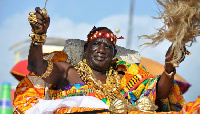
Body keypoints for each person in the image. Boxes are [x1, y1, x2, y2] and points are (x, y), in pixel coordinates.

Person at [13, 7, 186, 113]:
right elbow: (36, 65)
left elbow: (157, 93)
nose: (102, 50)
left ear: (114, 53)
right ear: (86, 49)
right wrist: (39, 36)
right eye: (96, 45)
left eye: (108, 47)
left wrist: (169, 68)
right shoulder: (67, 72)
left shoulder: (124, 77)